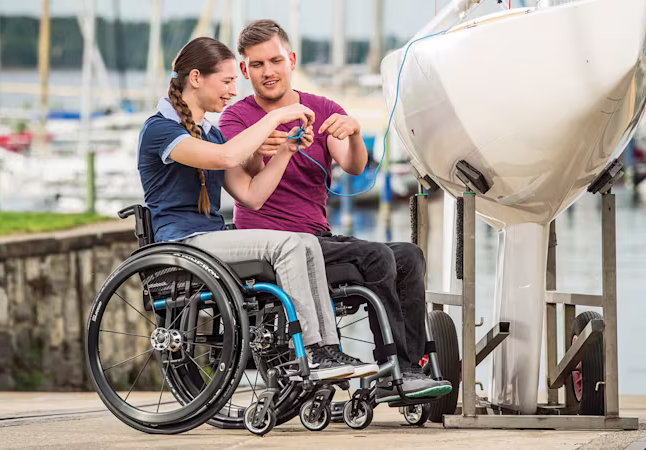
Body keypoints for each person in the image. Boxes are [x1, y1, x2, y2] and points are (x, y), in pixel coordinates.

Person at [218, 20, 451, 403]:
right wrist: (267, 147)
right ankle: (392, 368)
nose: (268, 71)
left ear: (291, 60)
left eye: (275, 61)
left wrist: (355, 133)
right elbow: (242, 184)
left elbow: (354, 166)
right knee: (375, 256)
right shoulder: (238, 119)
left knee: (409, 256)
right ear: (245, 70)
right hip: (274, 247)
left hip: (320, 239)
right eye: (257, 65)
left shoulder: (321, 108)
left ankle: (408, 369)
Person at [137, 36, 378, 380]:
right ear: (195, 79)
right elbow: (227, 158)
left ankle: (327, 349)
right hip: (182, 243)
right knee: (291, 243)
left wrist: (285, 152)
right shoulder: (160, 130)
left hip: (211, 240)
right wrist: (277, 115)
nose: (233, 90)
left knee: (306, 241)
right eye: (226, 81)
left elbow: (252, 195)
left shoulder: (211, 133)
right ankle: (310, 349)